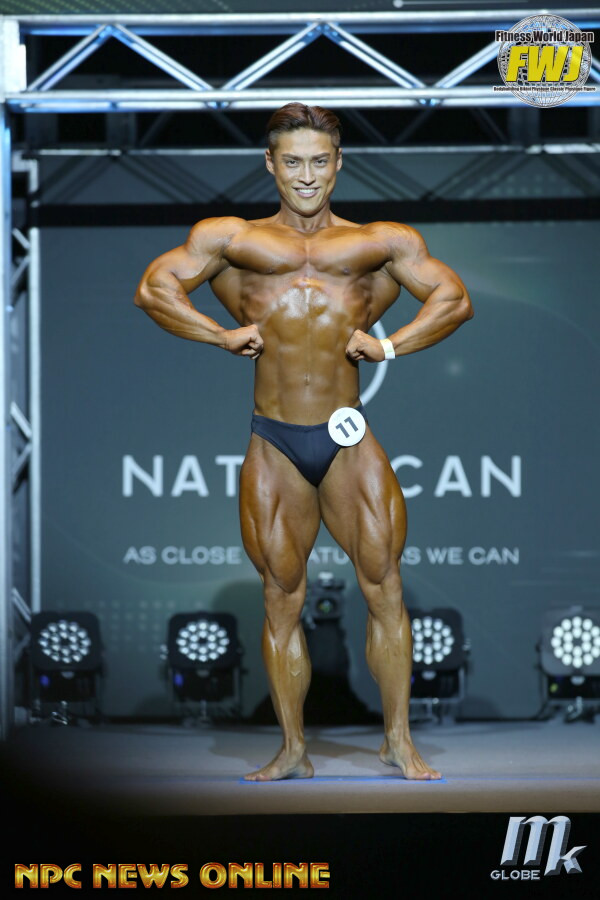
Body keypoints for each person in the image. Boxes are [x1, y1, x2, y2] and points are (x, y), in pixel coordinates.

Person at [134, 103, 473, 781]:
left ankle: (398, 740)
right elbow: (153, 288)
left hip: (348, 437)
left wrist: (388, 345)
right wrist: (220, 334)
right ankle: (292, 747)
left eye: (320, 160)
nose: (307, 175)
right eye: (293, 161)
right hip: (275, 440)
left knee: (384, 587)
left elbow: (454, 300)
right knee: (280, 596)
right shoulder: (232, 238)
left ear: (339, 162)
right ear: (271, 163)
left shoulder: (379, 242)